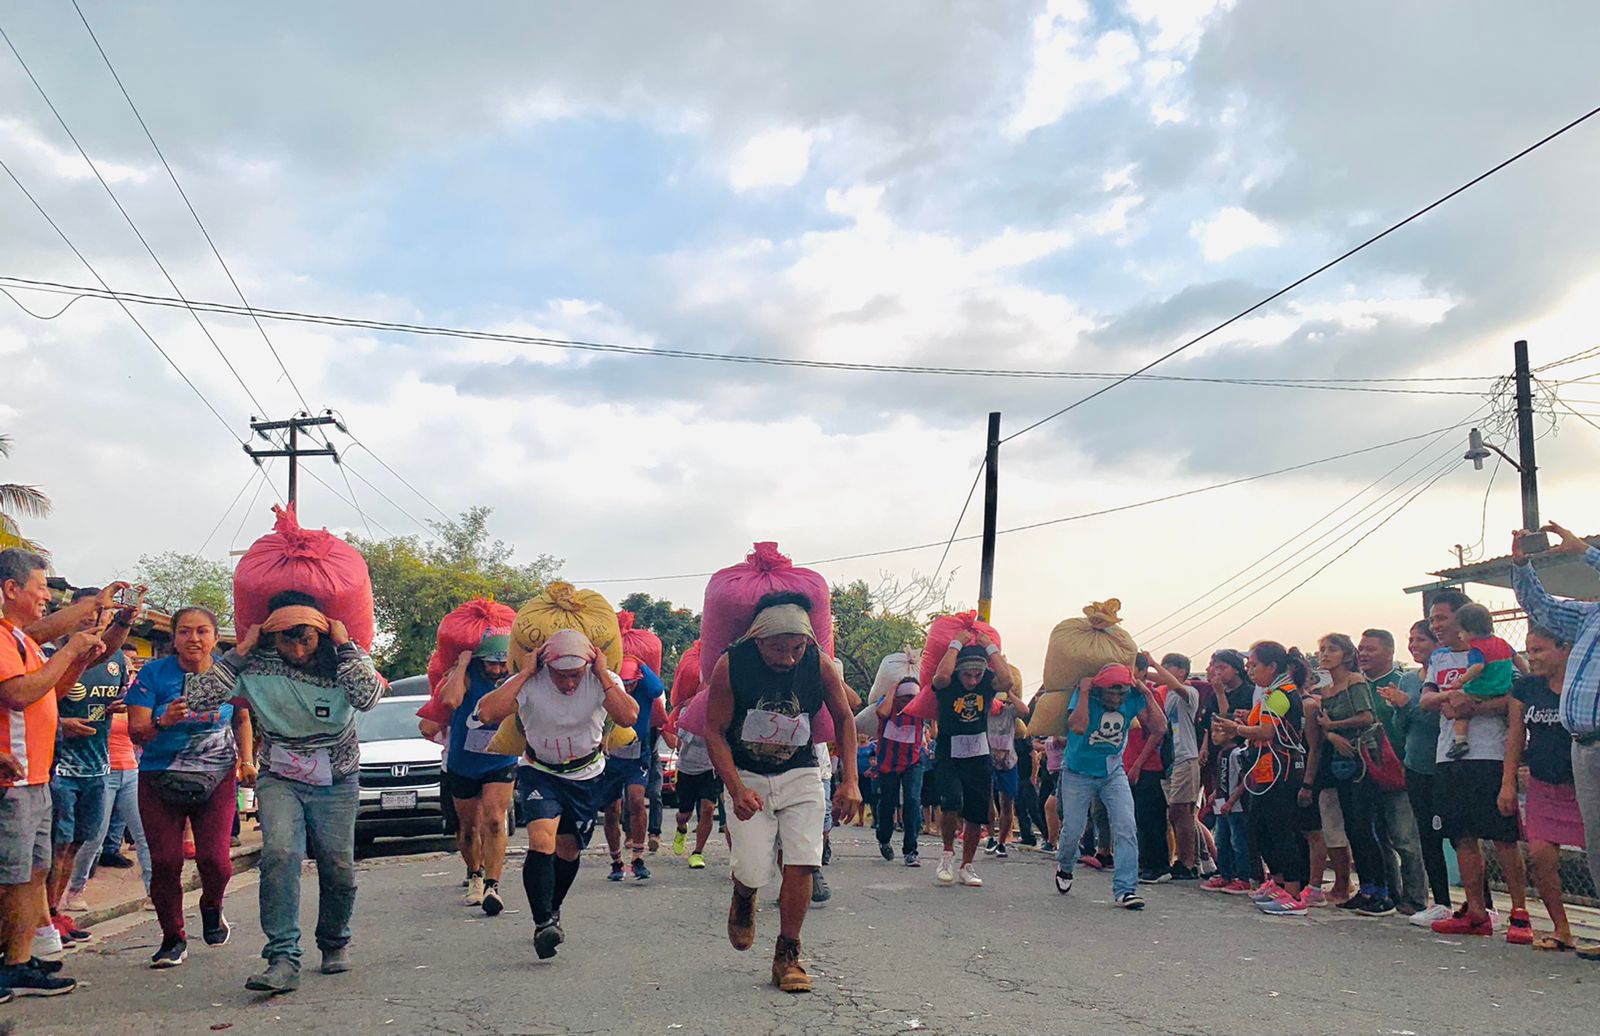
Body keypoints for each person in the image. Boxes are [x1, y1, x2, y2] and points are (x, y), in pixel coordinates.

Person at [186, 591, 385, 992]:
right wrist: (240, 651)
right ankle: (282, 957)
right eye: (286, 640)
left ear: (321, 632)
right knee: (279, 855)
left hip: (336, 779)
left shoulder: (345, 657)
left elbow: (368, 697)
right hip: (280, 775)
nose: (296, 649)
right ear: (270, 636)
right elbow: (197, 698)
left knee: (338, 868)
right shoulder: (254, 661)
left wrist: (344, 645)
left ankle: (334, 941)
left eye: (305, 639)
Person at [703, 592, 861, 994]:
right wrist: (735, 789)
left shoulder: (818, 663)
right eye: (777, 648)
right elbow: (714, 731)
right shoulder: (731, 664)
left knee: (804, 861)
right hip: (748, 774)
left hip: (802, 772)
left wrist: (850, 780)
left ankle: (788, 955)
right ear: (757, 640)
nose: (788, 658)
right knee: (754, 867)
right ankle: (744, 893)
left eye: (796, 647)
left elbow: (844, 717)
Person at [478, 629, 638, 961]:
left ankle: (553, 907)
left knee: (567, 850)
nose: (568, 684)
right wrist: (524, 673)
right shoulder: (532, 681)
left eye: (574, 676)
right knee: (541, 839)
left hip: (586, 775)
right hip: (541, 771)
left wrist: (602, 675)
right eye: (560, 677)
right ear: (546, 666)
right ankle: (542, 924)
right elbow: (487, 714)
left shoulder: (600, 680)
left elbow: (628, 717)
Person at [0, 549, 108, 998]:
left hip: (37, 774)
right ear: (11, 589)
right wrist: (71, 650)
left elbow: (50, 691)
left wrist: (77, 658)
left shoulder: (22, 639)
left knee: (32, 872)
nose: (48, 597)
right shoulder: (3, 638)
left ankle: (20, 963)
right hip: (14, 780)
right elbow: (21, 694)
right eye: (42, 588)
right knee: (12, 875)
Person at [127, 606, 253, 969]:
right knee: (165, 862)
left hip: (216, 778)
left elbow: (243, 718)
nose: (193, 639)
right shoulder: (153, 674)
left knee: (215, 860)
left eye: (201, 632)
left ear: (215, 637)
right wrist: (163, 720)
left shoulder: (227, 674)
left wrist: (247, 760)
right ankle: (172, 938)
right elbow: (138, 731)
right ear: (174, 638)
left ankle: (212, 905)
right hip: (159, 777)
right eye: (184, 632)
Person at [1419, 589, 1530, 939]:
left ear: (1464, 619)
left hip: (1490, 754)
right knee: (1461, 835)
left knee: (1503, 838)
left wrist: (1474, 707)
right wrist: (1448, 698)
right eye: (1433, 619)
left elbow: (1515, 699)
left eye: (1442, 618)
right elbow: (1425, 700)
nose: (1436, 626)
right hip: (1449, 755)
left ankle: (1519, 913)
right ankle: (1476, 911)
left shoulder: (1496, 653)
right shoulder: (1438, 659)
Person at [1510, 521, 1600, 953]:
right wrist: (1522, 565)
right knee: (1597, 844)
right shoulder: (1587, 617)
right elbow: (1539, 607)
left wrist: (1583, 550)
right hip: (1582, 743)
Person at [1504, 625, 1590, 952]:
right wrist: (1507, 783)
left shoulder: (1585, 686)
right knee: (1541, 856)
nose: (1532, 657)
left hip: (1582, 783)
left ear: (1565, 648)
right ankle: (1562, 928)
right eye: (1529, 650)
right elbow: (1514, 737)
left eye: (1539, 650)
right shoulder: (1526, 688)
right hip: (1541, 783)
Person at [1214, 642, 1314, 917]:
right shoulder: (1270, 694)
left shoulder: (1281, 694)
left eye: (1254, 665)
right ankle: (1278, 882)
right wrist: (1247, 719)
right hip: (1264, 771)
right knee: (1262, 830)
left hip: (1281, 771)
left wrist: (1237, 728)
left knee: (1282, 831)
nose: (1250, 670)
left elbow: (1267, 732)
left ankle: (1293, 892)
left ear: (1272, 667)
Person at [1053, 664, 1163, 910]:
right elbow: (1078, 726)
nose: (1116, 699)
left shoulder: (1133, 697)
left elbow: (1159, 728)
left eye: (1121, 694)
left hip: (1113, 773)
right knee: (1073, 829)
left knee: (1126, 826)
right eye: (1111, 694)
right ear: (1099, 690)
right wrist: (1083, 692)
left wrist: (1146, 694)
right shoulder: (1087, 696)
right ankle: (1066, 866)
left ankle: (1125, 889)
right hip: (1077, 772)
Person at [423, 636, 518, 915]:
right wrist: (462, 664)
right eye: (492, 663)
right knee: (468, 828)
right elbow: (451, 700)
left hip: (500, 759)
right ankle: (475, 873)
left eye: (503, 664)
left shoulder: (512, 678)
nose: (498, 670)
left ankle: (492, 885)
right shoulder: (466, 675)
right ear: (480, 660)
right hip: (463, 763)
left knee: (493, 820)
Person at [1305, 634, 1395, 916]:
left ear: (1346, 654)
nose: (1325, 654)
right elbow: (1323, 728)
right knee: (1352, 828)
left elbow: (1367, 717)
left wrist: (1335, 725)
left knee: (1364, 825)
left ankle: (1382, 891)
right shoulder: (1327, 691)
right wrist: (1332, 733)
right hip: (1340, 760)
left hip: (1363, 758)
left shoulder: (1355, 681)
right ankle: (1365, 887)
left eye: (1332, 649)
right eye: (1322, 650)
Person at [929, 631, 1015, 887]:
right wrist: (956, 643)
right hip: (949, 751)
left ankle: (967, 864)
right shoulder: (949, 682)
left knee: (977, 811)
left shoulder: (988, 682)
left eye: (977, 675)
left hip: (978, 753)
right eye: (967, 674)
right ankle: (947, 854)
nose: (972, 680)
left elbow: (1007, 681)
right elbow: (941, 677)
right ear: (959, 671)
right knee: (951, 801)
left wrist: (990, 648)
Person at [1357, 628, 1428, 917]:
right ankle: (1389, 893)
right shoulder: (1356, 685)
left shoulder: (1403, 683)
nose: (1363, 654)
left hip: (1401, 772)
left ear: (1389, 652)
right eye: (1361, 648)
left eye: (1370, 649)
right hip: (1366, 773)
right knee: (1377, 837)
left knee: (1406, 840)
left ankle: (1416, 897)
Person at [599, 658, 665, 882]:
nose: (627, 688)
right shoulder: (610, 689)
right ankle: (616, 861)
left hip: (638, 754)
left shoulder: (645, 689)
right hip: (611, 756)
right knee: (612, 811)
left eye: (631, 684)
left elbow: (658, 689)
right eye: (624, 683)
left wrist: (640, 663)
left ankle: (638, 857)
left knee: (637, 800)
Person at [1150, 653, 1202, 880]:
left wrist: (1152, 664)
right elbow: (1157, 679)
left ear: (1181, 670)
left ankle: (1187, 861)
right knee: (1176, 813)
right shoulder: (1166, 695)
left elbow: (1173, 683)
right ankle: (1185, 858)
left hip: (1185, 756)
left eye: (1168, 667)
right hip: (1170, 759)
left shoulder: (1188, 693)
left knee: (1182, 811)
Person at [1448, 604, 1516, 761]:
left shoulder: (1476, 648)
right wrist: (1526, 674)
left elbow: (1478, 666)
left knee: (1460, 712)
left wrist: (1461, 680)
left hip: (1481, 690)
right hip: (1503, 688)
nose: (1459, 635)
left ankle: (1460, 741)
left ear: (1470, 631)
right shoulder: (1503, 643)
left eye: (1461, 631)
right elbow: (1518, 660)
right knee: (1510, 718)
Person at [873, 675, 925, 866]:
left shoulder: (920, 708)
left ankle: (911, 850)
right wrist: (893, 688)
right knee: (888, 802)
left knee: (912, 801)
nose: (909, 703)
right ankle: (884, 837)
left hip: (913, 761)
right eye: (905, 698)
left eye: (913, 698)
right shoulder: (888, 704)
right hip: (888, 762)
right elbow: (882, 713)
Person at [1201, 721, 1251, 894]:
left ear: (1231, 733)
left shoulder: (1237, 753)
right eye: (1212, 731)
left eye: (1218, 731)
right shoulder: (1222, 753)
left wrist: (1231, 800)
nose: (1213, 735)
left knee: (1237, 841)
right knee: (1221, 839)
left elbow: (1245, 779)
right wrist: (1216, 793)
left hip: (1235, 805)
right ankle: (1225, 874)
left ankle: (1243, 878)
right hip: (1222, 803)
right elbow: (1222, 776)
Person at [984, 676, 1029, 859]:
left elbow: (1024, 710)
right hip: (988, 758)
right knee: (987, 799)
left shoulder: (1010, 712)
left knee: (1007, 803)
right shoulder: (986, 710)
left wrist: (1010, 692)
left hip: (1008, 761)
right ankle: (991, 836)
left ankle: (1002, 842)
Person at [670, 722, 724, 869]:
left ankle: (697, 852)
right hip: (687, 769)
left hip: (710, 769)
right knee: (684, 814)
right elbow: (680, 742)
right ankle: (681, 827)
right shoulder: (688, 712)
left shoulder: (716, 711)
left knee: (708, 809)